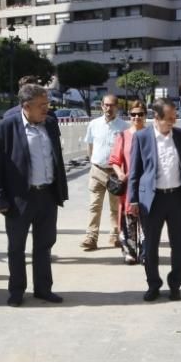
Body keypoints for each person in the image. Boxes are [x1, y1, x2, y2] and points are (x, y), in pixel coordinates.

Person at [0, 84, 69, 307]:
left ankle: (43, 289)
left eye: (47, 104)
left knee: (44, 246)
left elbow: (56, 159)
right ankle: (16, 291)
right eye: (42, 105)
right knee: (16, 248)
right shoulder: (5, 127)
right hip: (19, 199)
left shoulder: (50, 124)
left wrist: (59, 190)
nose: (47, 109)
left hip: (47, 196)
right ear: (26, 106)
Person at [127, 98, 181, 302]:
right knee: (150, 246)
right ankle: (153, 284)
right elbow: (134, 172)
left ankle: (175, 285)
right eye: (169, 119)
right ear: (156, 118)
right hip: (152, 200)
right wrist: (133, 200)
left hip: (176, 198)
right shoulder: (142, 137)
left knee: (177, 245)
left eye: (175, 118)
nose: (174, 122)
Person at [82, 93, 128, 251]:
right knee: (94, 205)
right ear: (101, 106)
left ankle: (115, 235)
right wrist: (92, 163)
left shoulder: (124, 127)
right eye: (106, 105)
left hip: (114, 173)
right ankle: (91, 237)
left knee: (115, 207)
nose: (108, 108)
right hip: (97, 170)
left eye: (112, 105)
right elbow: (89, 145)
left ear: (117, 107)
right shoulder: (94, 124)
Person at [108, 99, 147, 265]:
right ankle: (129, 252)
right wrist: (120, 173)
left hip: (146, 184)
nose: (136, 117)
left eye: (140, 114)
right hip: (129, 184)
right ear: (129, 115)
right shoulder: (122, 136)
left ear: (146, 115)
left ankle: (146, 252)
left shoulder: (151, 135)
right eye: (133, 114)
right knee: (128, 218)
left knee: (147, 219)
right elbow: (115, 160)